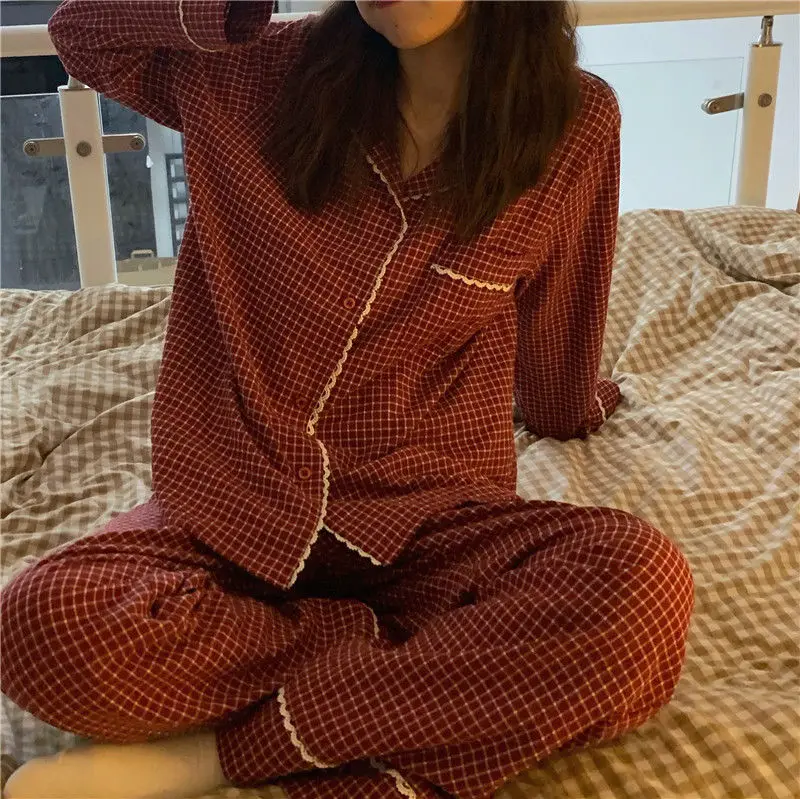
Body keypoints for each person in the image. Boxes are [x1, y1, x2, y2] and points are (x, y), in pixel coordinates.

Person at [0, 2, 695, 798]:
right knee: (42, 625)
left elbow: (561, 326)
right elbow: (83, 33)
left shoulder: (574, 121)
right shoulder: (253, 69)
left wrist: (576, 407)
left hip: (427, 525)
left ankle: (217, 757)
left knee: (642, 587)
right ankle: (413, 666)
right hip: (234, 516)